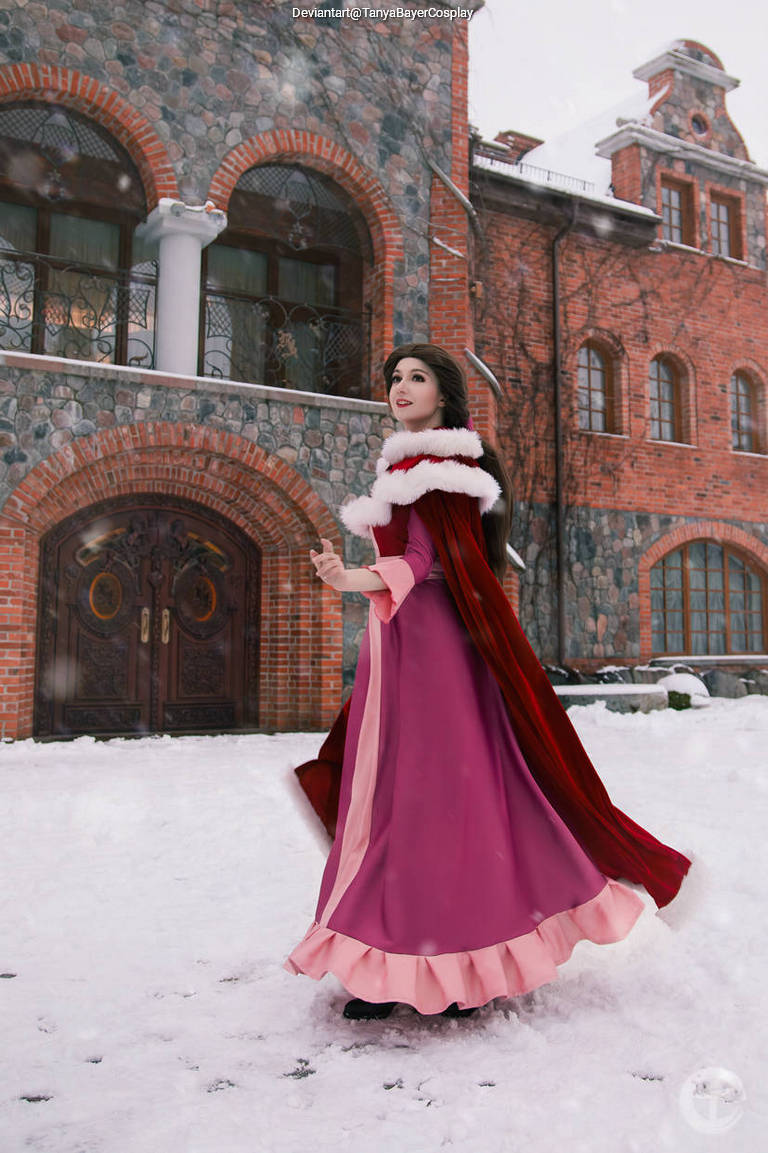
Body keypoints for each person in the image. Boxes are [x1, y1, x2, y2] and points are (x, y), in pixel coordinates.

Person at [284, 343, 691, 1020]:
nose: (401, 388)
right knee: (388, 804)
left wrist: (350, 577)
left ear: (443, 393)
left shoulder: (442, 466)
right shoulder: (406, 462)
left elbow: (427, 561)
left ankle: (456, 969)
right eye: (394, 379)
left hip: (439, 650)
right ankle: (390, 963)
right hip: (402, 646)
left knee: (437, 806)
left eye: (417, 378)